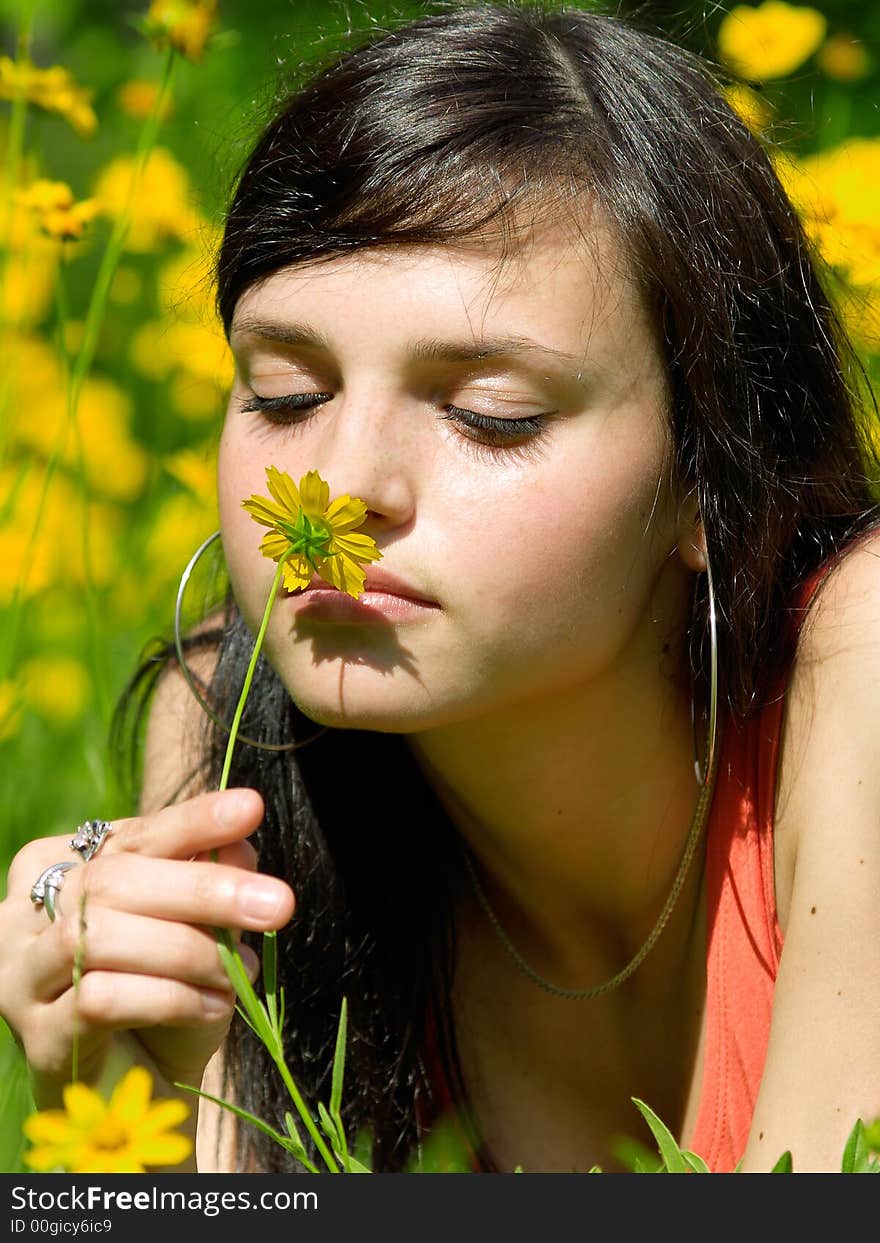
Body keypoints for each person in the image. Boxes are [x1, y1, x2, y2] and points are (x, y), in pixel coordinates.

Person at [2, 1, 879, 1175]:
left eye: (489, 416)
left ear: (709, 482)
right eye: (283, 393)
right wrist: (118, 1100)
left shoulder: (856, 667)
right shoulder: (230, 753)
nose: (341, 487)